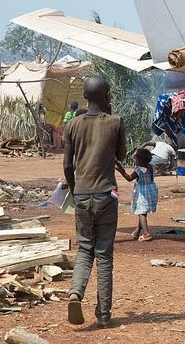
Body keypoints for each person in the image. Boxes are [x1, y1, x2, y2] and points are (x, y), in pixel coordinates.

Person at [63, 77, 126, 327]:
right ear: (108, 96)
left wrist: (74, 189)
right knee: (104, 255)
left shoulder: (72, 124)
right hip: (106, 195)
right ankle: (103, 314)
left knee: (85, 249)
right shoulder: (116, 121)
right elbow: (120, 155)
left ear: (85, 95)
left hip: (82, 194)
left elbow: (68, 164)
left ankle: (75, 293)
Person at [116, 148, 159, 241]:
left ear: (139, 160)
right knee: (143, 211)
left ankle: (146, 233)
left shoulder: (139, 170)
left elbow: (129, 178)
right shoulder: (150, 166)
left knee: (140, 212)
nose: (134, 159)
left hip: (142, 192)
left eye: (136, 158)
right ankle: (137, 231)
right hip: (151, 190)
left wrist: (121, 171)